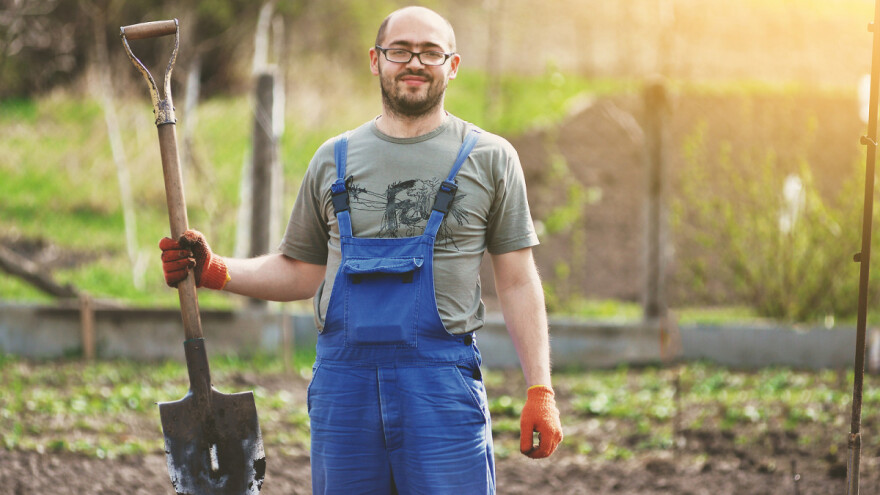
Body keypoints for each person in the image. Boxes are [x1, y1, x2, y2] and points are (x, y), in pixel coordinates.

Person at [159, 6, 562, 494]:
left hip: (439, 389)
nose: (415, 63)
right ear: (376, 60)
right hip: (344, 392)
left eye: (431, 52)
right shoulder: (334, 159)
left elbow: (517, 281)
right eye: (400, 51)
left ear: (452, 65)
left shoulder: (490, 157)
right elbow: (301, 270)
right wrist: (216, 270)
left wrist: (540, 388)